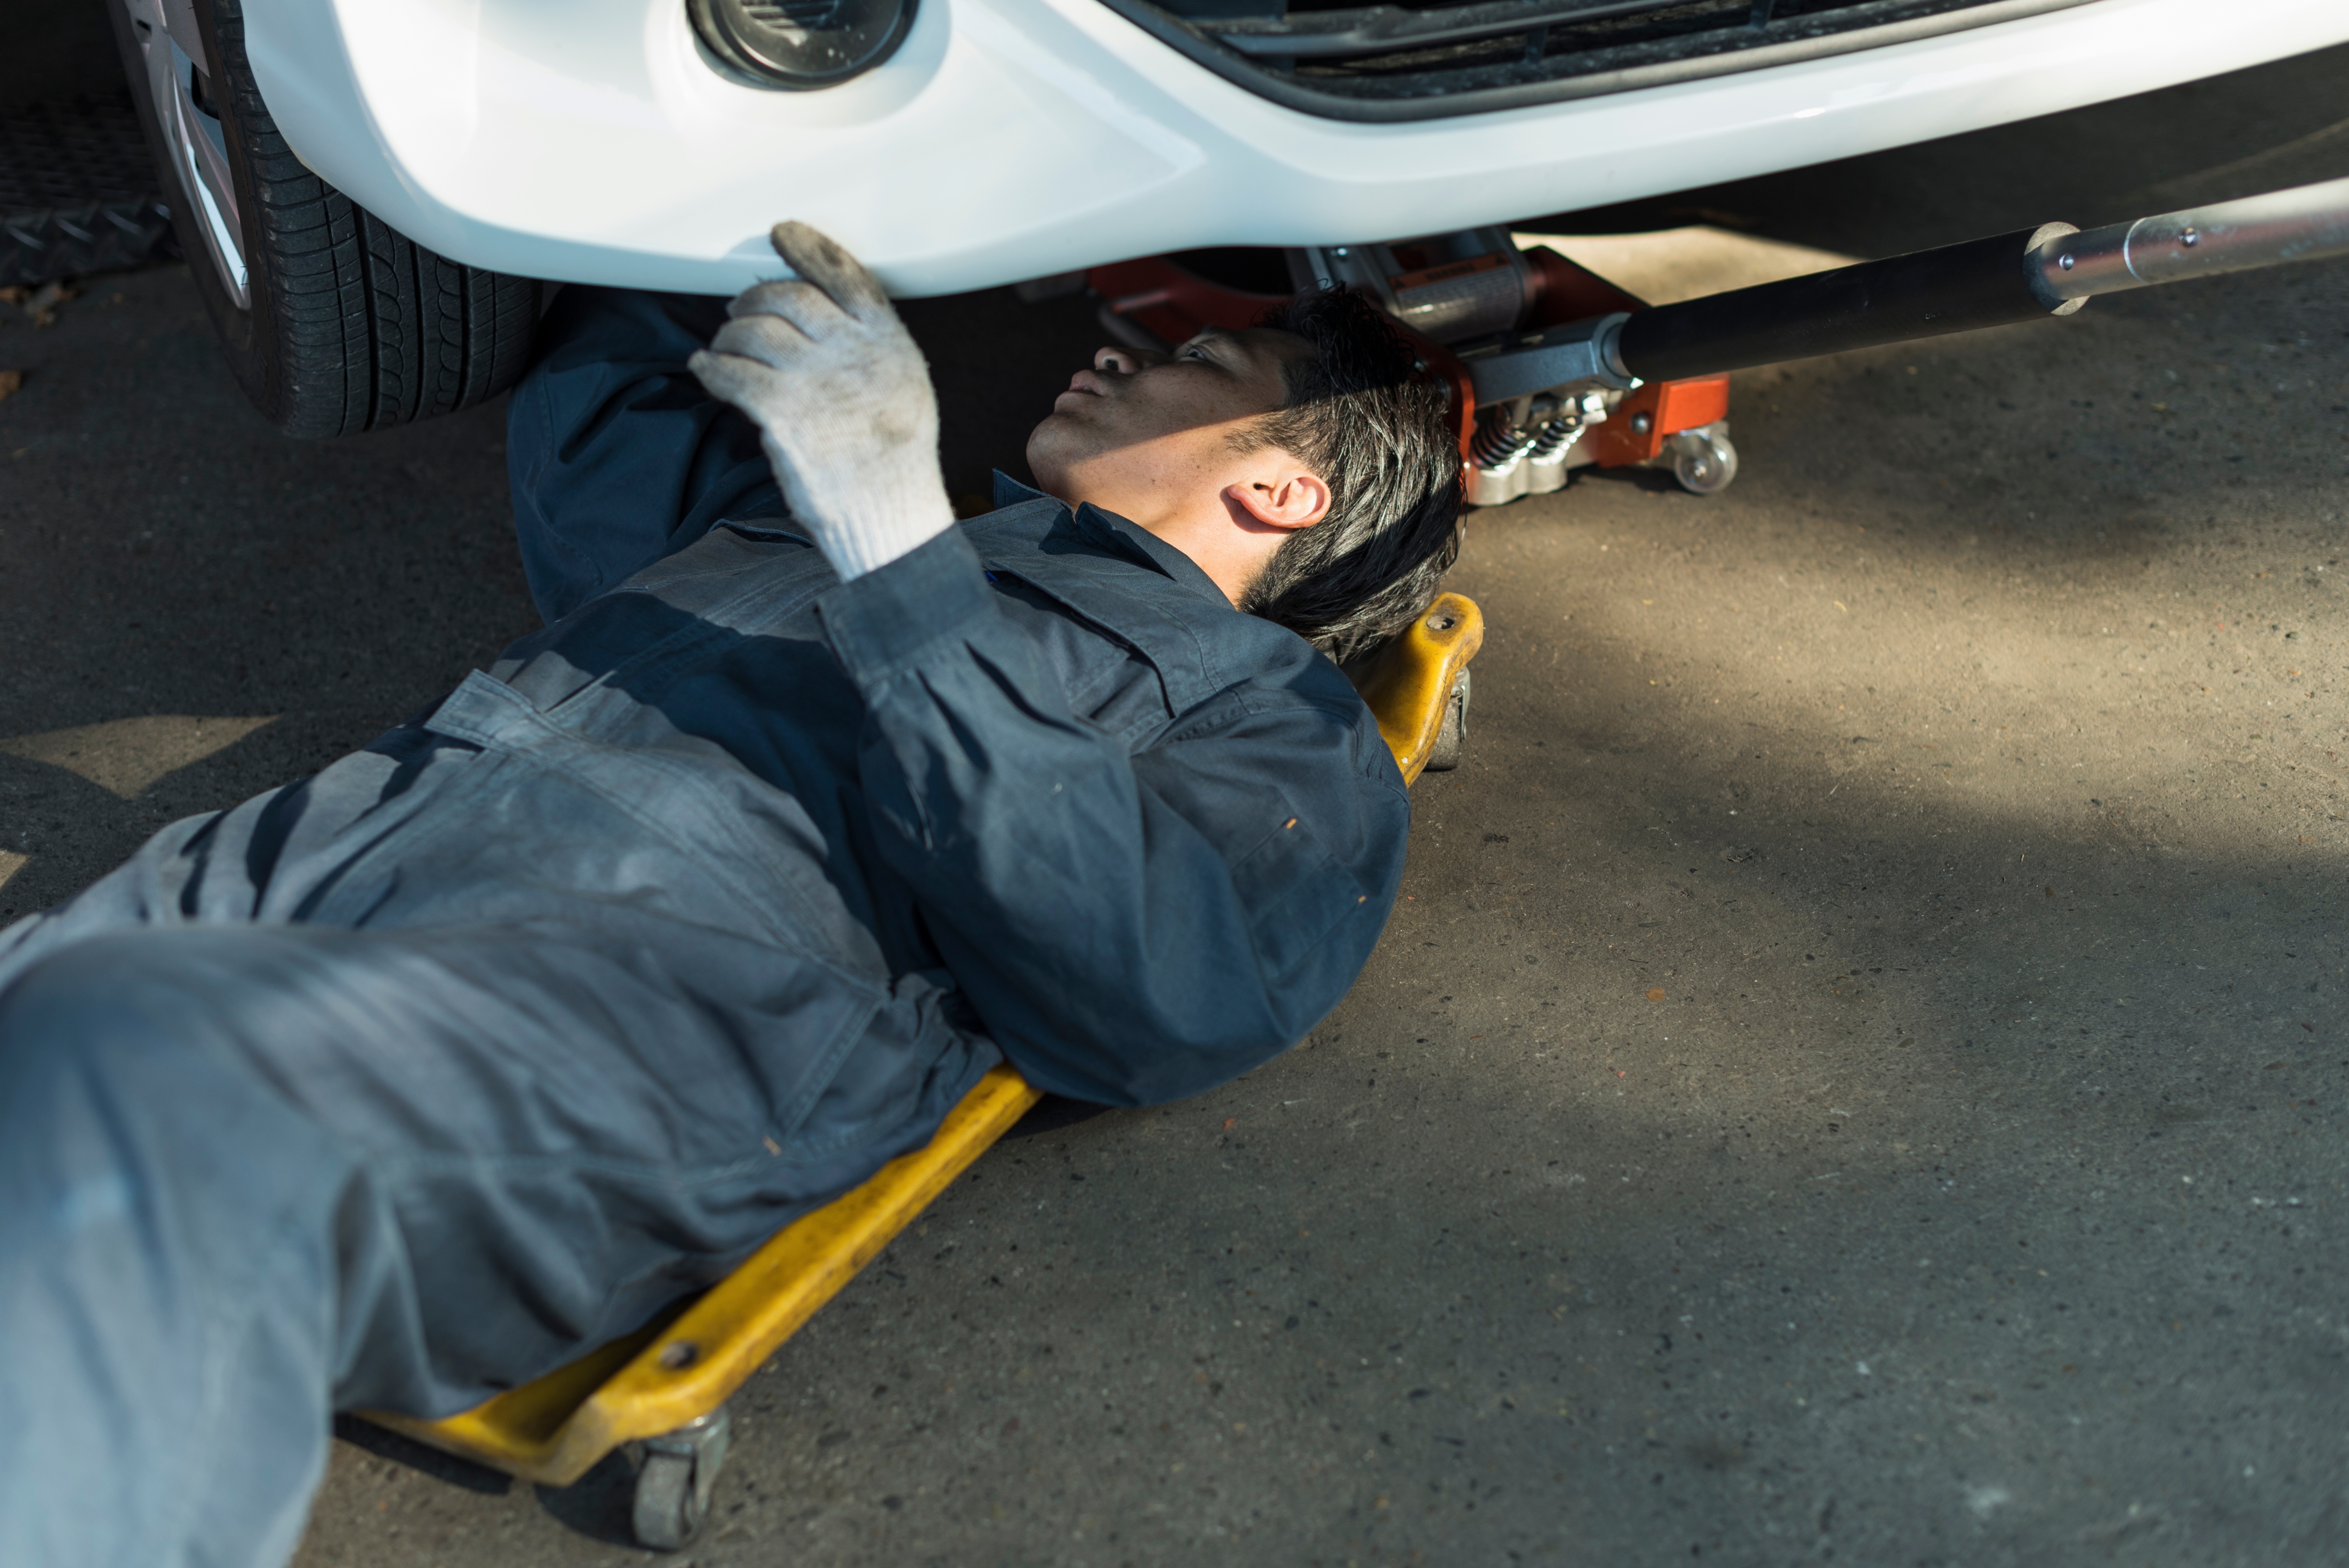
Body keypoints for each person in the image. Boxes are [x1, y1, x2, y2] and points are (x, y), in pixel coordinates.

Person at [0, 225, 1461, 1568]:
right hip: (245, 910)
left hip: (578, 1056)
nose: (1122, 353)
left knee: (133, 1076)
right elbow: (598, 418)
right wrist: (732, 181)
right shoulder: (799, 526)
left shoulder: (1270, 718)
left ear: (1282, 490)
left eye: (1199, 364)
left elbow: (1161, 985)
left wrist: (900, 549)